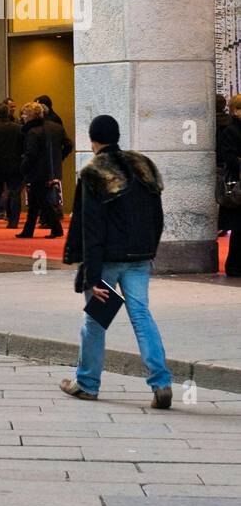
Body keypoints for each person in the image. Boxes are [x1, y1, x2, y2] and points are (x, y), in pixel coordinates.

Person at [61, 115, 173, 407]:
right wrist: (149, 250)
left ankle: (87, 383)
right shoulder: (143, 167)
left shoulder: (95, 173)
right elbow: (157, 216)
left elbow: (92, 228)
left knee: (97, 321)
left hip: (108, 260)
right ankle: (161, 383)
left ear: (93, 141)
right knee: (141, 315)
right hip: (139, 257)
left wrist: (93, 276)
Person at [18, 101, 66, 239]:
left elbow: (31, 154)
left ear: (31, 115)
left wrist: (23, 167)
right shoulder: (53, 128)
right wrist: (59, 158)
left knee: (42, 201)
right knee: (35, 201)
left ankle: (56, 228)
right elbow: (68, 144)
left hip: (36, 171)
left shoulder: (32, 132)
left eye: (25, 114)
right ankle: (29, 230)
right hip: (49, 168)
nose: (23, 116)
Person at [0, 102, 24, 228]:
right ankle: (13, 221)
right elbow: (22, 146)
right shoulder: (18, 128)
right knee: (14, 193)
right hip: (14, 165)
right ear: (9, 113)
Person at [219, 94, 241, 278]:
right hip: (238, 187)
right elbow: (230, 158)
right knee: (239, 229)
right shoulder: (231, 130)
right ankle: (234, 266)